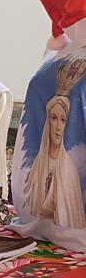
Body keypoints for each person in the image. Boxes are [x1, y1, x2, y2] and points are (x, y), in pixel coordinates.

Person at [23, 93, 86, 229]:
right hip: (38, 229)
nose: (58, 126)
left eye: (63, 120)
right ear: (48, 122)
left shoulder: (69, 169)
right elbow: (30, 206)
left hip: (59, 233)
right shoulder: (38, 163)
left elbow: (72, 219)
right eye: (54, 118)